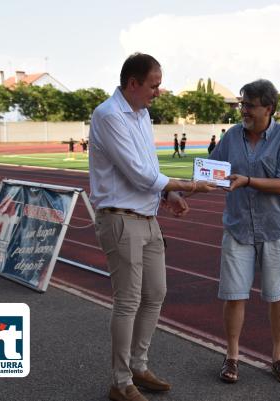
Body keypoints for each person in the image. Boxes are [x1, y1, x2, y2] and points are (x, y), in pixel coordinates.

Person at [89, 53, 215, 401]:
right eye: (153, 85)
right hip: (120, 218)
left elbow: (150, 166)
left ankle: (138, 367)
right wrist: (189, 185)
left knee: (155, 293)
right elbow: (138, 173)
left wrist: (170, 193)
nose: (158, 92)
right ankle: (120, 382)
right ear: (133, 83)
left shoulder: (142, 114)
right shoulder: (109, 115)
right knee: (127, 301)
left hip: (147, 218)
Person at [209, 79, 280, 385]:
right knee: (234, 296)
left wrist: (247, 180)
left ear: (268, 108)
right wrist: (180, 191)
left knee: (277, 296)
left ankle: (278, 356)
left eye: (249, 105)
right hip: (238, 227)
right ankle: (232, 356)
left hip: (275, 229)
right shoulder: (232, 135)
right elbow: (212, 171)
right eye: (242, 104)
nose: (243, 110)